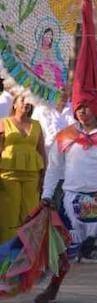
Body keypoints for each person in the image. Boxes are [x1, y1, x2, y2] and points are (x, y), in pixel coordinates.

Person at [35, 0, 97, 303]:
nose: (83, 112)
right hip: (72, 199)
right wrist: (47, 195)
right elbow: (54, 169)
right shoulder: (65, 136)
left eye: (87, 107)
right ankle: (53, 289)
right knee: (67, 250)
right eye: (79, 108)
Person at [0, 94, 47, 244]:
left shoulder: (37, 125)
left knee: (29, 212)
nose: (26, 103)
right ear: (14, 104)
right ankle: (6, 251)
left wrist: (44, 175)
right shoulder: (3, 122)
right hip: (8, 174)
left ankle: (27, 250)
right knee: (9, 213)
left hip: (32, 174)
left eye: (28, 101)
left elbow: (42, 151)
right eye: (22, 100)